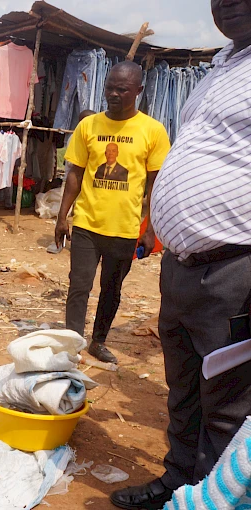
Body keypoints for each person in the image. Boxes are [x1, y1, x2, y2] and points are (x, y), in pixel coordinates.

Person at [110, 2, 251, 508]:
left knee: (226, 403)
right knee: (185, 388)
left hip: (236, 268)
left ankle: (215, 498)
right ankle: (178, 482)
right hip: (184, 267)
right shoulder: (224, 65)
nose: (226, 3)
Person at [54, 61, 170, 365]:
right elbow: (75, 175)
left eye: (123, 89)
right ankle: (72, 344)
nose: (114, 94)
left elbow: (155, 186)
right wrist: (62, 216)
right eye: (110, 88)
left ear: (139, 91)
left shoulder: (153, 131)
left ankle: (99, 341)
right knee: (79, 285)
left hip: (125, 229)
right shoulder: (88, 126)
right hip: (87, 225)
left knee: (111, 289)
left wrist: (151, 228)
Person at [47, 109, 95, 255]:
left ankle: (81, 243)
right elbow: (72, 164)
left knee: (84, 215)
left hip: (89, 184)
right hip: (71, 182)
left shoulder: (97, 137)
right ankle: (59, 242)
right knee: (64, 213)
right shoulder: (76, 137)